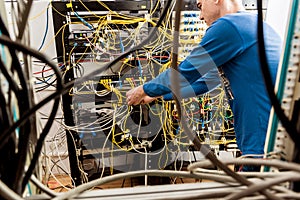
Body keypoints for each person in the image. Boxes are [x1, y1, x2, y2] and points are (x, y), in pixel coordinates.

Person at [126, 0, 282, 168]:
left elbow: (185, 72)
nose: (200, 16)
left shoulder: (230, 26)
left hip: (260, 145)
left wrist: (143, 89)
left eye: (200, 6)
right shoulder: (255, 25)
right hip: (271, 140)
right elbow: (204, 83)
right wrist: (157, 95)